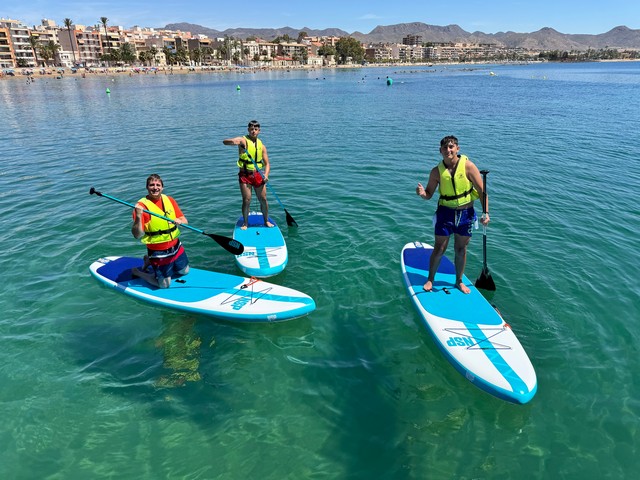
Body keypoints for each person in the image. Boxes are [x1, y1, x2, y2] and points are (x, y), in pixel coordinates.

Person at [415, 135, 489, 294]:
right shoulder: (436, 172)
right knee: (439, 248)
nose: (448, 150)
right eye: (445, 148)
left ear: (457, 148)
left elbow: (483, 192)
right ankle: (430, 279)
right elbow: (429, 194)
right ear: (440, 151)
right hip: (445, 213)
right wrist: (422, 194)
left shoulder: (468, 166)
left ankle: (459, 281)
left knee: (461, 249)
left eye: (451, 147)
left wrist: (486, 213)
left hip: (466, 213)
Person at [131, 174, 190, 288]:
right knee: (164, 285)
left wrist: (179, 220)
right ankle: (137, 272)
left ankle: (148, 261)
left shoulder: (170, 200)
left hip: (176, 246)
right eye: (151, 185)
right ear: (147, 187)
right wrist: (138, 216)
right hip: (158, 251)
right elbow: (137, 235)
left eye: (158, 185)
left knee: (185, 271)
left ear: (162, 187)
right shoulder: (141, 207)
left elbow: (185, 220)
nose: (155, 187)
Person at [222, 120, 273, 230]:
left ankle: (266, 221)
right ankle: (245, 222)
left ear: (259, 130)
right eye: (251, 129)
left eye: (255, 129)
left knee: (263, 199)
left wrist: (266, 175)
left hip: (258, 174)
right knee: (247, 199)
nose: (253, 131)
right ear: (248, 130)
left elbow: (267, 164)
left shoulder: (262, 146)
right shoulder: (243, 140)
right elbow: (225, 142)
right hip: (245, 175)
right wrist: (233, 142)